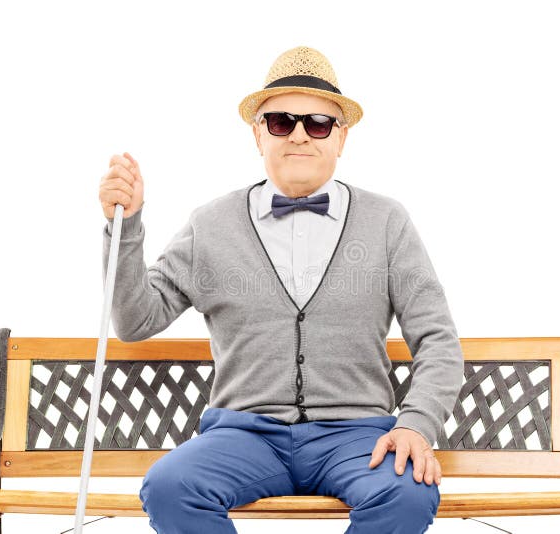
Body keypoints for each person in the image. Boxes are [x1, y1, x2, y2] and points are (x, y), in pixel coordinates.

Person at [99, 45, 464, 534]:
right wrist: (126, 227)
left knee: (406, 495)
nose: (298, 136)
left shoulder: (386, 222)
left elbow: (437, 339)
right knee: (170, 486)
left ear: (341, 138)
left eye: (317, 123)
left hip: (357, 436)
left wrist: (415, 424)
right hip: (243, 436)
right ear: (258, 133)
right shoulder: (210, 225)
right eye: (280, 122)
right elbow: (135, 320)